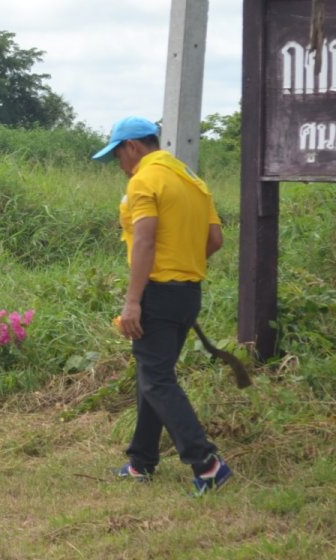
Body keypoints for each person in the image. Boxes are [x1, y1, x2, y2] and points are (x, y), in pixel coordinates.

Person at [93, 116, 233, 495]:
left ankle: (207, 464)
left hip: (156, 292)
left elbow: (145, 241)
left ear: (133, 147)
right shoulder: (192, 180)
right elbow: (215, 239)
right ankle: (142, 461)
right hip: (188, 292)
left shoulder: (144, 180)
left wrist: (133, 301)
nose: (120, 166)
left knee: (156, 380)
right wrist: (184, 265)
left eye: (118, 156)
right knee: (152, 376)